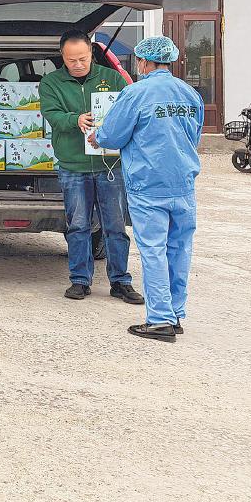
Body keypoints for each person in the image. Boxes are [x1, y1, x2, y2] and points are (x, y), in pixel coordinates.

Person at [91, 36, 204, 342]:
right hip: (183, 184)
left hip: (148, 184)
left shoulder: (135, 93)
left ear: (143, 62)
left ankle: (159, 320)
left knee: (153, 250)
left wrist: (96, 136)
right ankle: (175, 314)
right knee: (179, 249)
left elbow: (112, 136)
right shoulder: (190, 93)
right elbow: (194, 137)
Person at [39, 31, 144, 305]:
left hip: (110, 165)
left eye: (83, 59)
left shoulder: (112, 79)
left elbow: (128, 113)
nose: (77, 65)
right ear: (62, 57)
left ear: (92, 54)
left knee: (115, 226)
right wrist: (74, 119)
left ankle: (120, 281)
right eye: (71, 60)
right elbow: (52, 114)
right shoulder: (51, 83)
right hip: (73, 165)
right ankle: (80, 280)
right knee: (77, 225)